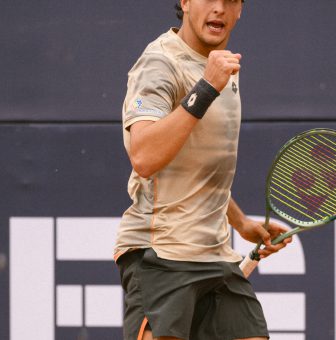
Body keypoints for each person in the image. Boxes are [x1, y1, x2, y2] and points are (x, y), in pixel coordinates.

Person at [114, 0, 291, 339]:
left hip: (215, 255)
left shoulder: (224, 69)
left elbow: (197, 168)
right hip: (161, 253)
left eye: (230, 1)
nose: (219, 9)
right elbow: (144, 157)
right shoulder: (160, 63)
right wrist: (206, 88)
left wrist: (241, 223)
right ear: (185, 2)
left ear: (240, 10)